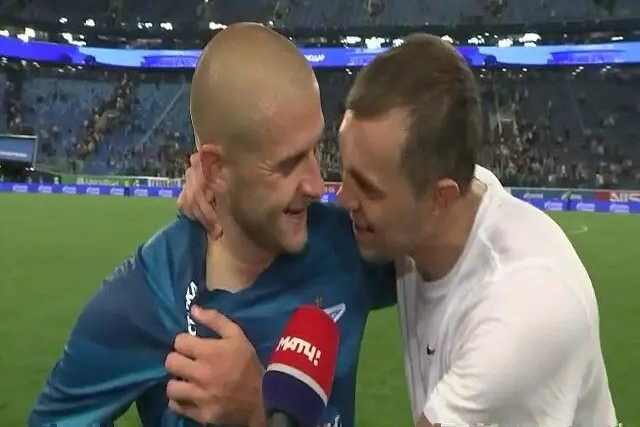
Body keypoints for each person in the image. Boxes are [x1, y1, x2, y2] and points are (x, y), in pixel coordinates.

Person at [180, 34, 617, 426]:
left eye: (368, 187)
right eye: (346, 172)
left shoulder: (518, 314)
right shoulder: (442, 209)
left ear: (439, 199)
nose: (342, 198)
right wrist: (227, 183)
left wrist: (258, 414)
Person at [29, 23, 395, 427]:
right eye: (287, 164)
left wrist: (256, 414)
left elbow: (446, 206)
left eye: (314, 150)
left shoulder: (349, 245)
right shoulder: (144, 301)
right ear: (216, 169)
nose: (315, 184)